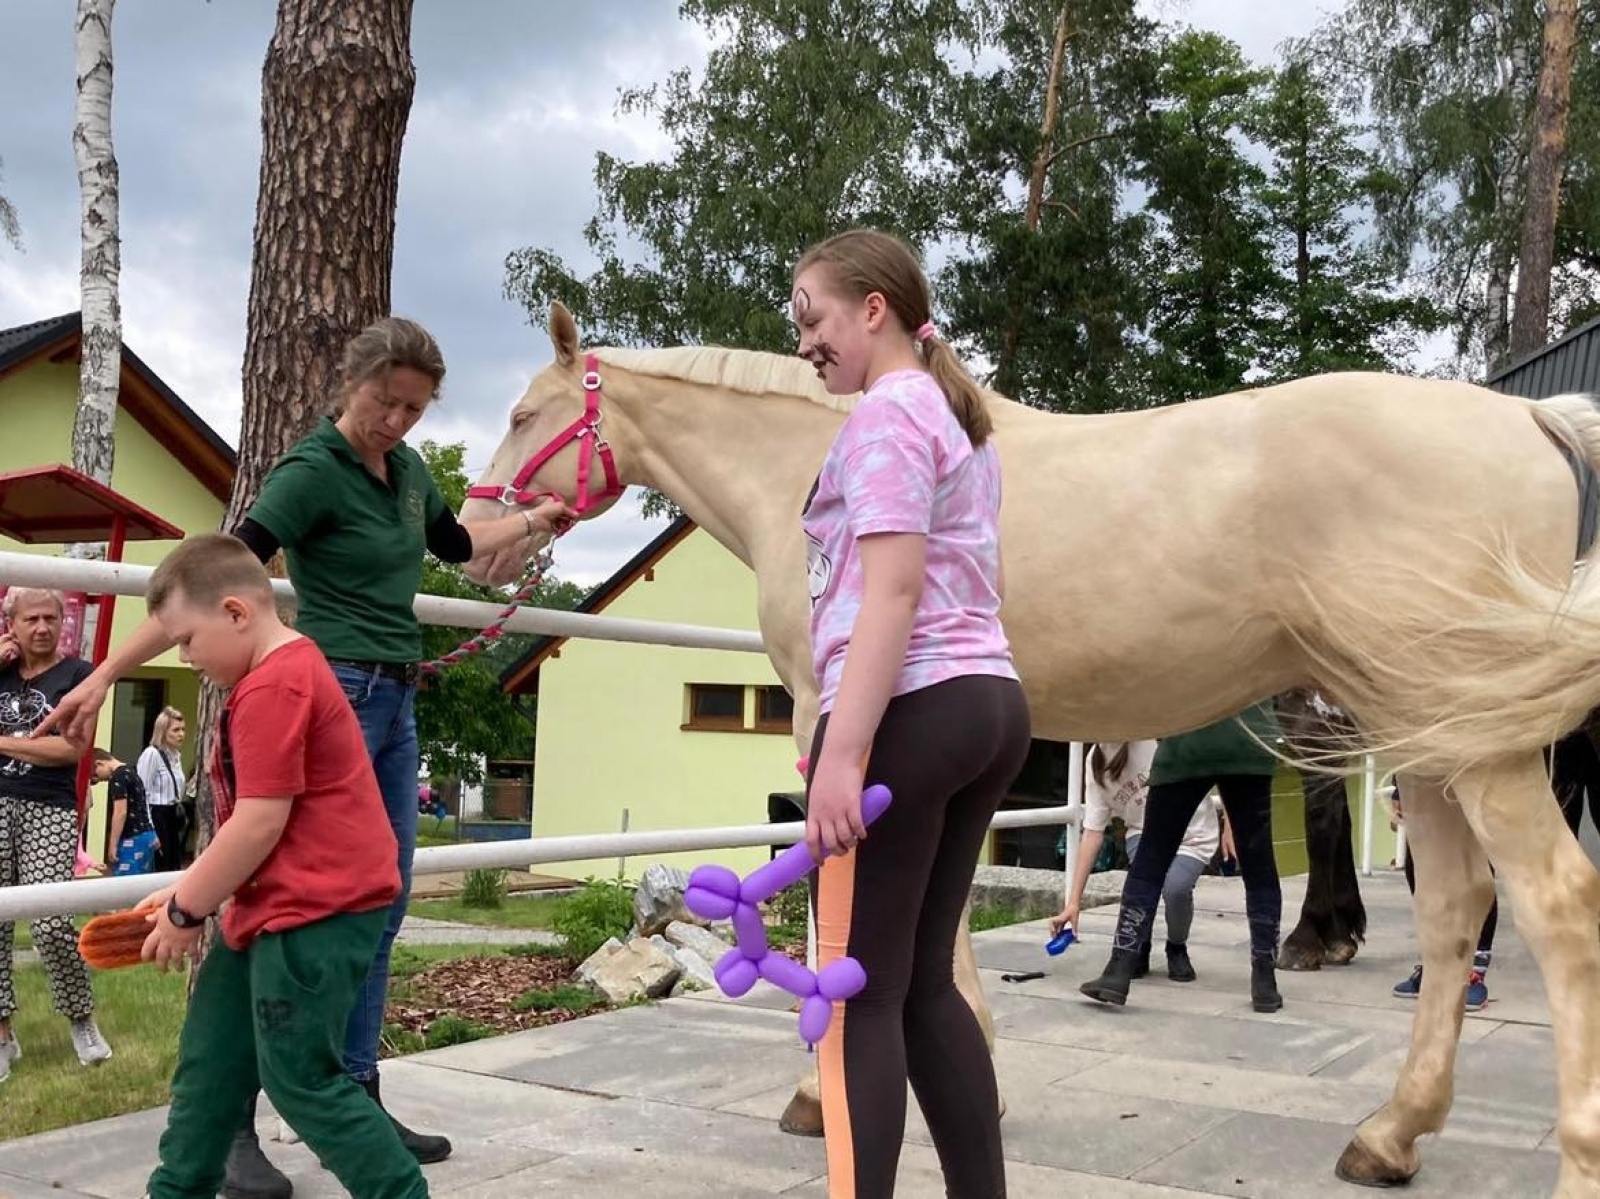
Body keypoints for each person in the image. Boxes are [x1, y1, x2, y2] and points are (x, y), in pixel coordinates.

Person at [43, 316, 573, 1197]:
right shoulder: (311, 472)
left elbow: (454, 546)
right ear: (350, 383)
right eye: (384, 401)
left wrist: (533, 520)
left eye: (414, 408)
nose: (396, 421)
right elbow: (217, 578)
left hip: (396, 693)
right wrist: (104, 673)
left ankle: (344, 1090)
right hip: (342, 684)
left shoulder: (407, 473)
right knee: (288, 883)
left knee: (375, 894)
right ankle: (252, 1115)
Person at [793, 229, 1031, 1198]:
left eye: (812, 316)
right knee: (925, 980)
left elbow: (890, 594)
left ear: (873, 308)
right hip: (987, 703)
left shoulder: (888, 415)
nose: (803, 342)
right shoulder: (954, 420)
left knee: (861, 991)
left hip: (913, 709)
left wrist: (843, 752)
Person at [136, 533, 426, 1199]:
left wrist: (186, 907)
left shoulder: (275, 685)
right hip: (269, 910)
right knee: (210, 1067)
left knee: (303, 1080)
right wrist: (189, 887)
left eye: (188, 639)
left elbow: (260, 820)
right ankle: (177, 1187)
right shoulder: (280, 671)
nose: (186, 657)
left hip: (318, 912)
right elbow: (259, 827)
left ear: (236, 612)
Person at [1080, 702, 1285, 1013]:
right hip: (1250, 740)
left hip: (1188, 742)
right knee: (1260, 869)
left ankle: (1118, 970)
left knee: (1150, 860)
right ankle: (1265, 982)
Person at [0, 587, 111, 1084]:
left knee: (50, 921)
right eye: (31, 619)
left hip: (49, 806)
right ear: (12, 625)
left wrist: (4, 743)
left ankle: (81, 1017)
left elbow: (71, 749)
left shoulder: (78, 675)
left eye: (50, 618)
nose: (42, 627)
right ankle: (2, 1034)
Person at [1049, 741, 1221, 983]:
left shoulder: (1154, 738)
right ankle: (1139, 945)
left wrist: (1231, 826)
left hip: (1193, 833)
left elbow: (1217, 768)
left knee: (1175, 889)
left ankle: (1176, 947)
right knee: (1142, 886)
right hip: (1143, 832)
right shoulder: (1095, 761)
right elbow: (1093, 832)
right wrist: (1073, 903)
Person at [1390, 776, 1495, 1011]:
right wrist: (1399, 787)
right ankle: (1435, 963)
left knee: (1475, 866)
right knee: (1418, 865)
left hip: (1475, 771)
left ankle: (1475, 972)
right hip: (1424, 773)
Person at [94, 748, 159, 876]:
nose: (98, 779)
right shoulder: (132, 772)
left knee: (126, 882)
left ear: (99, 763)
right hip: (147, 835)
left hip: (132, 838)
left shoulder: (118, 777)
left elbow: (120, 812)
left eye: (95, 774)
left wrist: (112, 845)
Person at [137, 706, 187, 872]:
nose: (181, 734)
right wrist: (149, 828)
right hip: (157, 814)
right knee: (160, 865)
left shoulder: (176, 756)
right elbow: (142, 792)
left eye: (183, 729)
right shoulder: (152, 754)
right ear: (163, 732)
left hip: (173, 815)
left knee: (174, 865)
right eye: (176, 730)